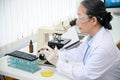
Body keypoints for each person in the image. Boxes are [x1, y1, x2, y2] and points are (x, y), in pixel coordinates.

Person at [38, 0, 120, 80]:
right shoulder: (94, 36)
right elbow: (80, 53)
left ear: (93, 20)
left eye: (80, 17)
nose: (77, 22)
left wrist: (57, 62)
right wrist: (57, 54)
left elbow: (84, 75)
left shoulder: (103, 47)